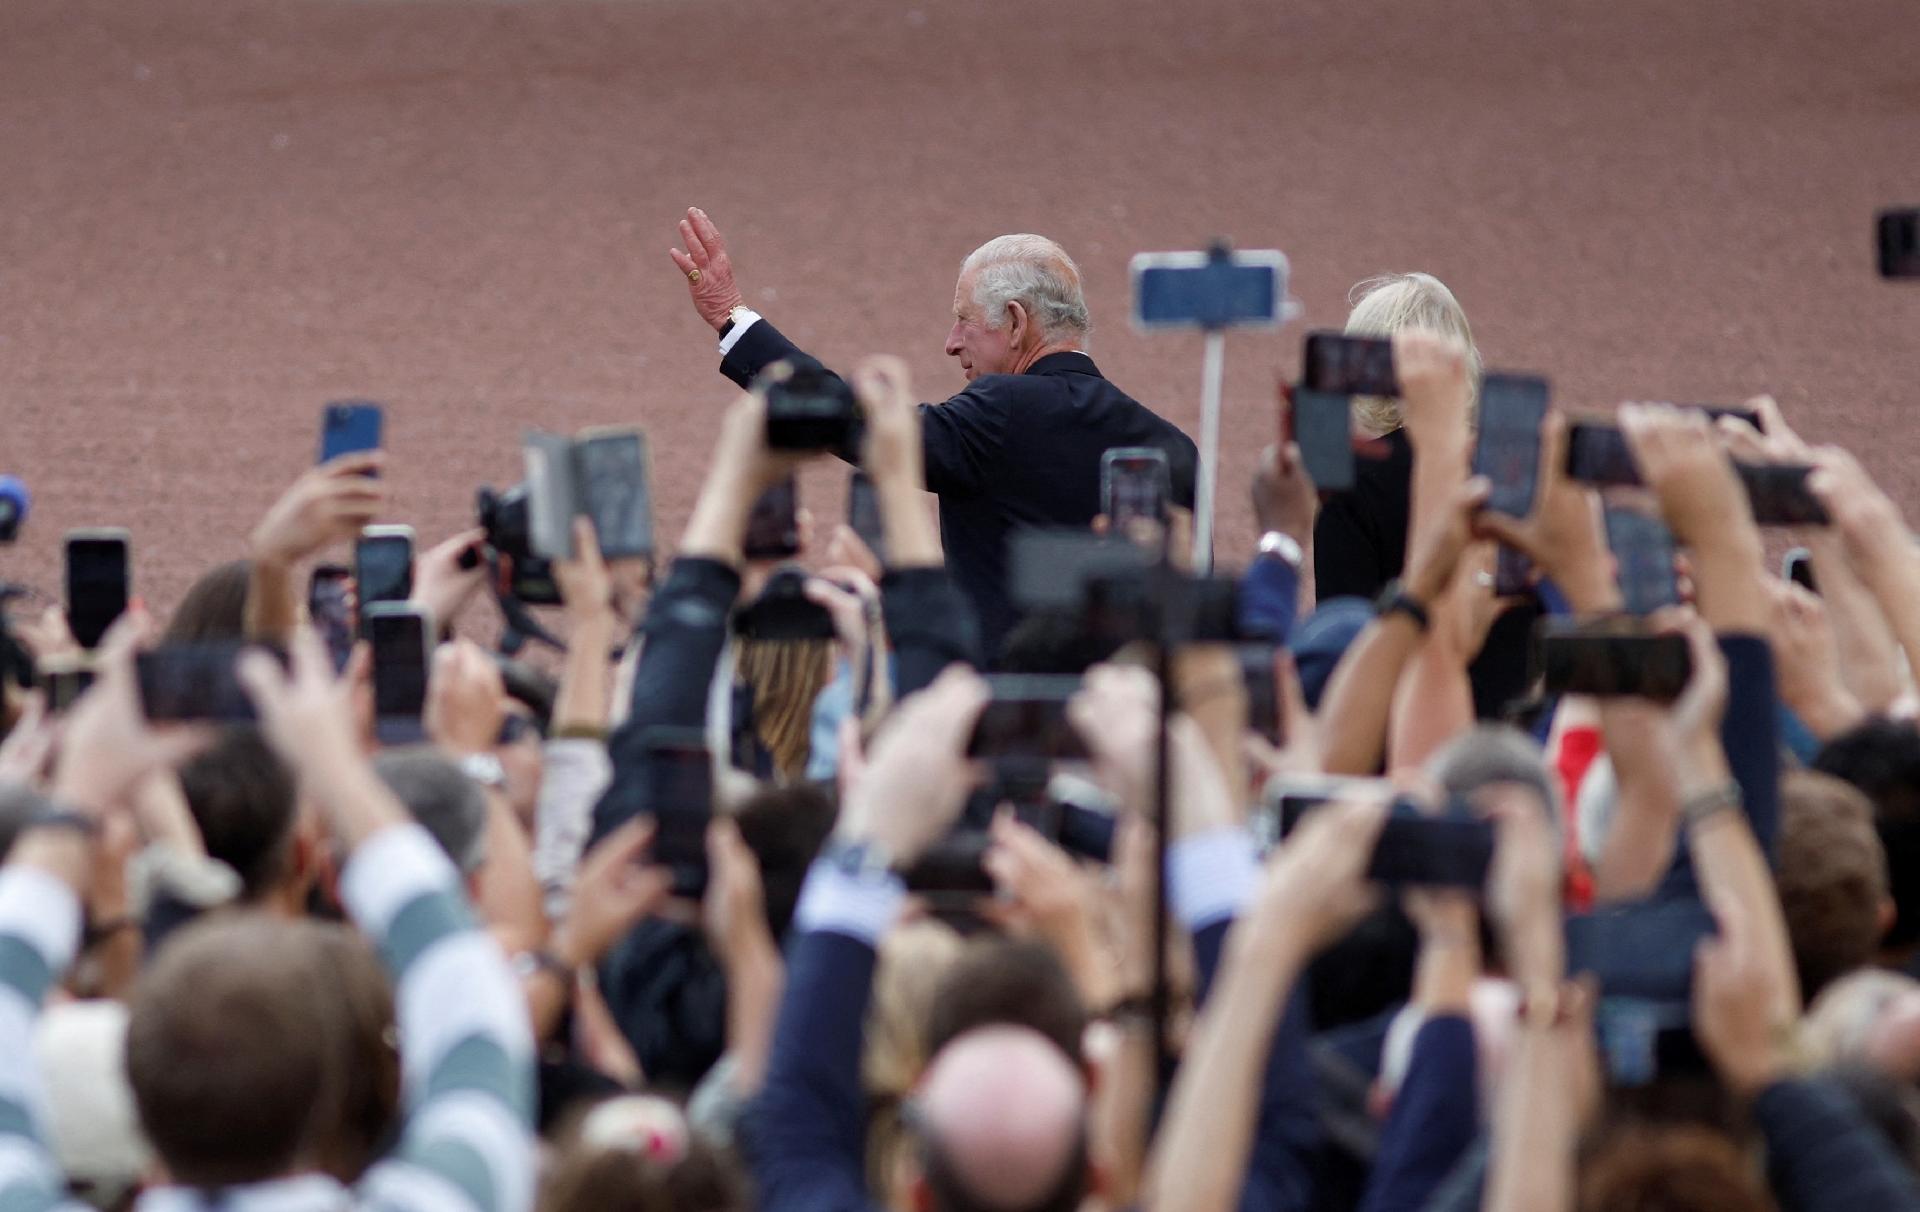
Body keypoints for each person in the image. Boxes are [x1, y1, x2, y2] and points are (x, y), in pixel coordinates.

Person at [667, 207, 1199, 652]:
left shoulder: (1000, 412)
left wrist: (730, 317)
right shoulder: (1175, 448)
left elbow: (851, 422)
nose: (950, 342)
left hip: (1003, 722)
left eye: (964, 319)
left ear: (1015, 323)